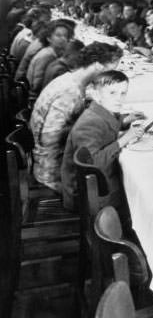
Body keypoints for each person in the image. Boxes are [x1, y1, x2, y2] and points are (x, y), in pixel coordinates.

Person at [30, 42, 124, 192]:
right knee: (115, 175)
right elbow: (48, 138)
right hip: (54, 170)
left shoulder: (71, 79)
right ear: (98, 66)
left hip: (55, 160)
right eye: (111, 70)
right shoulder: (69, 92)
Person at [60, 70, 145, 212]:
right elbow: (93, 164)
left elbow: (107, 124)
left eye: (123, 93)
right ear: (96, 95)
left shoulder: (98, 111)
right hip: (90, 194)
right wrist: (125, 138)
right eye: (112, 93)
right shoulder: (89, 123)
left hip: (97, 184)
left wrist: (125, 120)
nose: (119, 99)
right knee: (139, 190)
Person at [26, 20, 73, 93]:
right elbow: (36, 85)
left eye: (65, 36)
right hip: (33, 95)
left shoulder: (49, 50)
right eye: (58, 35)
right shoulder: (48, 55)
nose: (63, 39)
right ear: (49, 38)